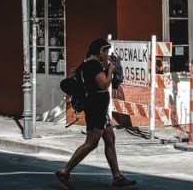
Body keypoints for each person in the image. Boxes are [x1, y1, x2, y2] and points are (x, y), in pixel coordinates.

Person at [55, 38, 136, 189]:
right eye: (106, 52)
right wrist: (111, 70)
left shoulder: (88, 64)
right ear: (100, 51)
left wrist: (108, 67)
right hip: (95, 109)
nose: (107, 55)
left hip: (99, 109)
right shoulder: (93, 65)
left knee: (110, 139)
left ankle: (117, 178)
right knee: (91, 143)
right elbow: (104, 85)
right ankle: (64, 171)